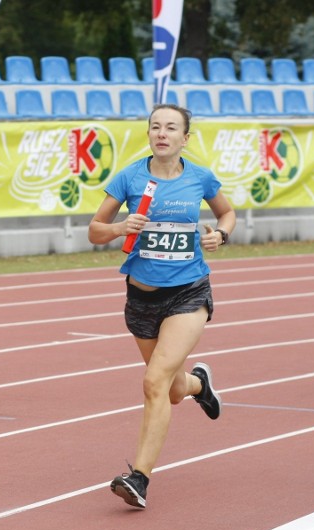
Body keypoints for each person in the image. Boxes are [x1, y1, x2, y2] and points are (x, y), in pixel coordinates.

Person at [88, 103, 236, 508]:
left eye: (171, 128)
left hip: (188, 293)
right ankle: (199, 384)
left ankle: (139, 477)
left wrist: (220, 236)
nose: (162, 133)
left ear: (185, 138)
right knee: (171, 389)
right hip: (141, 299)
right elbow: (94, 230)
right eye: (156, 127)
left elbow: (226, 213)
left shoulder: (200, 177)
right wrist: (120, 226)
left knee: (153, 383)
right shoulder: (131, 177)